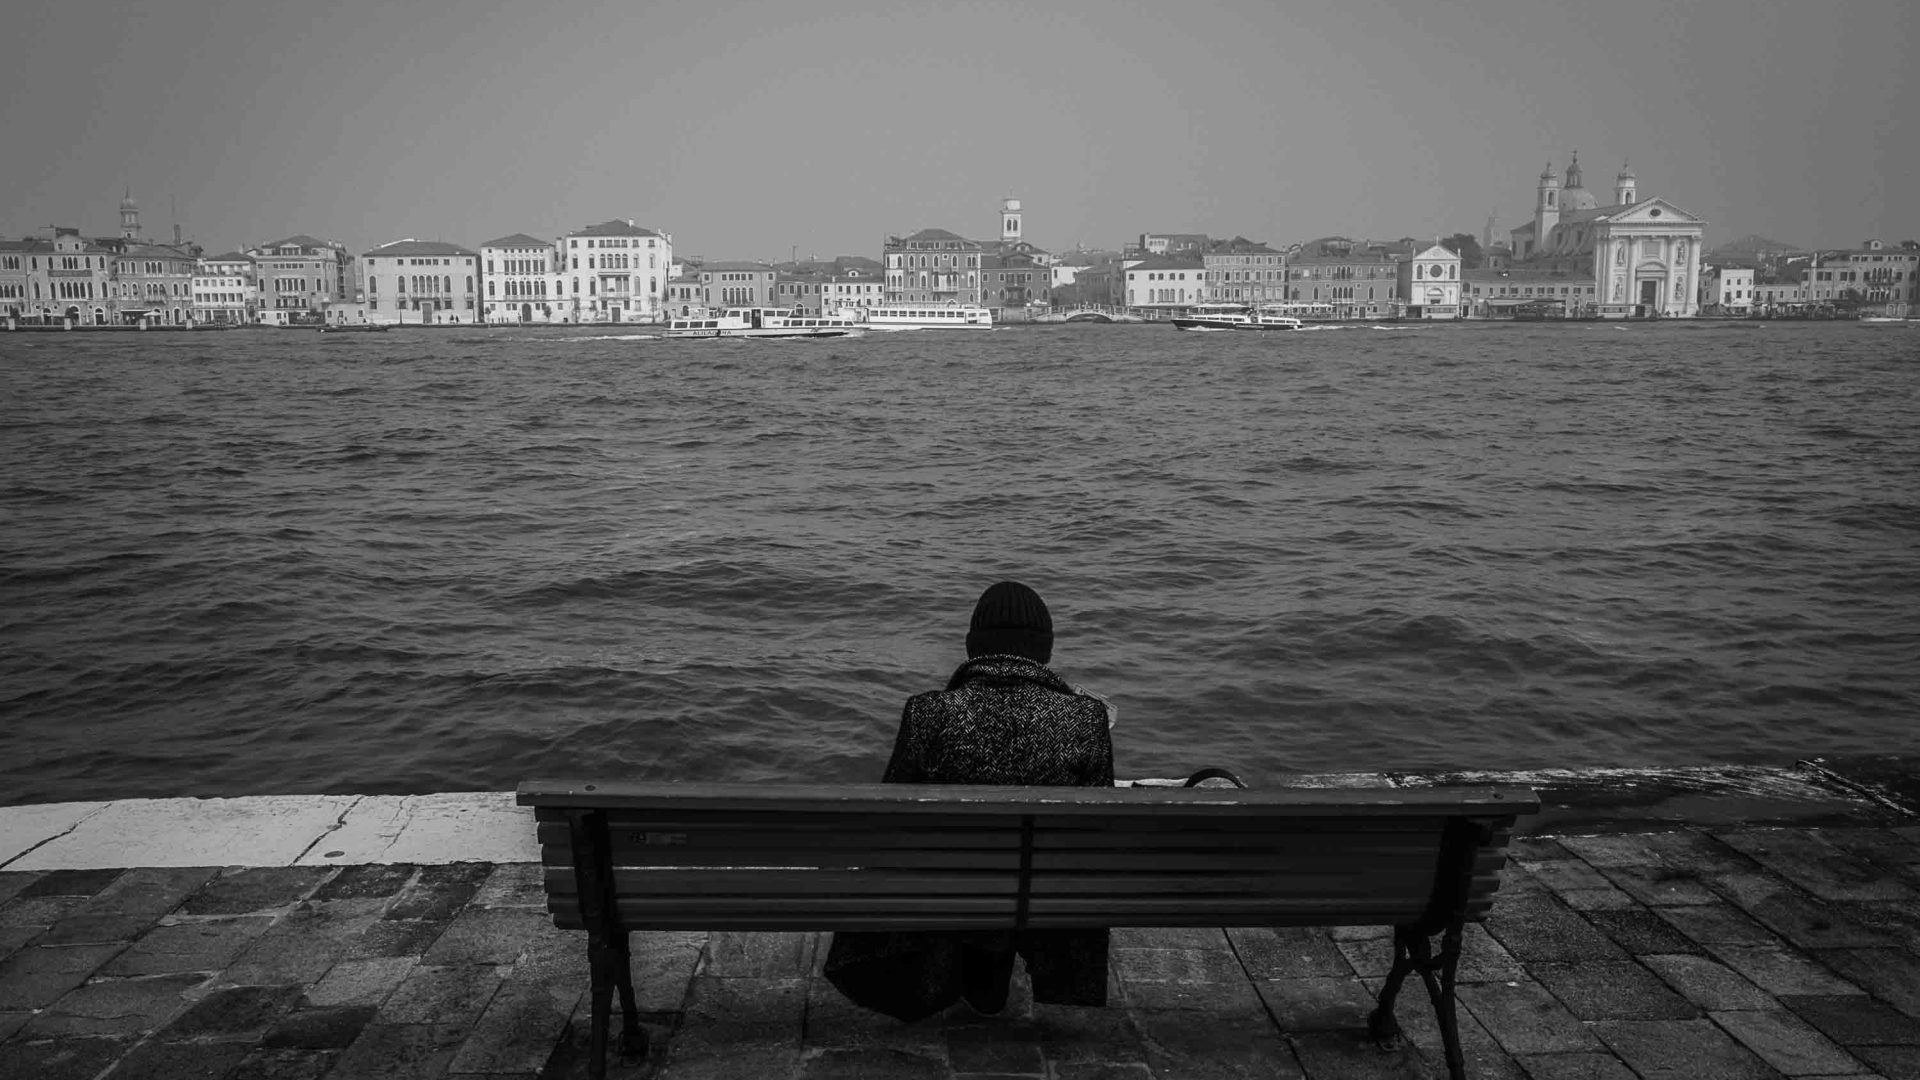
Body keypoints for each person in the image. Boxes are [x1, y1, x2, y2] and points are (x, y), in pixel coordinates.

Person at [823, 581, 1115, 1021]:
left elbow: (893, 815)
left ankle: (971, 961)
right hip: (1044, 895)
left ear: (973, 648)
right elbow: (1098, 826)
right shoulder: (1086, 717)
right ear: (1045, 651)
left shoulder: (929, 712)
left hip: (954, 886)